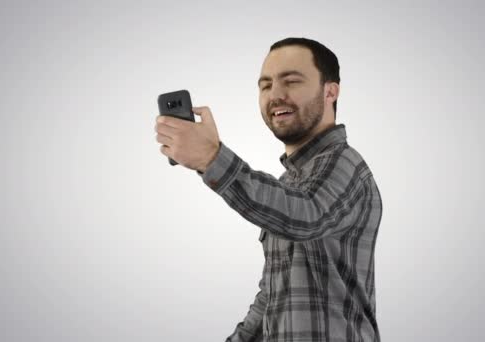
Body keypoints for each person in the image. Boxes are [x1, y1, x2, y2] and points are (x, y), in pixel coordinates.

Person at [154, 37, 383, 342]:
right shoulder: (286, 185)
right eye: (265, 85)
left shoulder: (347, 164)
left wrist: (211, 157)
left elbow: (306, 217)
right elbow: (274, 293)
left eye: (291, 81)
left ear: (330, 91)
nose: (275, 95)